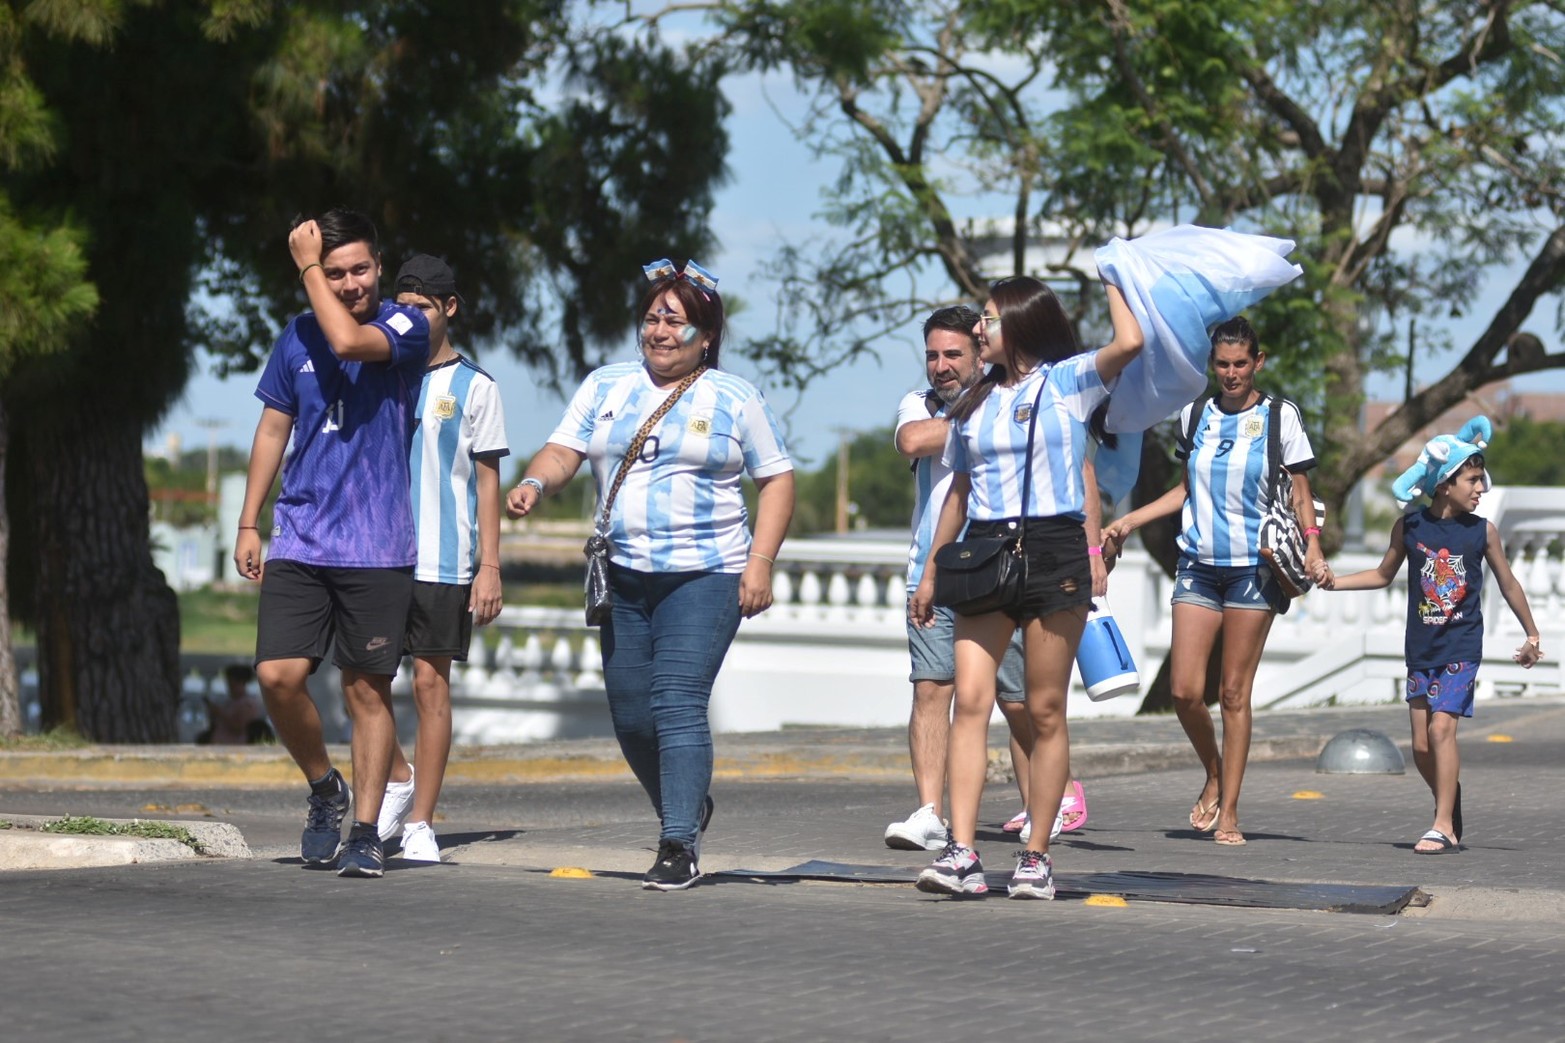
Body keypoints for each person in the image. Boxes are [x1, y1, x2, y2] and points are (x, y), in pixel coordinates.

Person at [505, 258, 794, 891]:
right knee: (632, 715)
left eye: (676, 320)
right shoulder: (607, 384)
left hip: (707, 573)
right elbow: (564, 450)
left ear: (707, 336)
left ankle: (677, 842)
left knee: (676, 702)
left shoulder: (735, 397)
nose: (660, 330)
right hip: (624, 575)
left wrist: (760, 563)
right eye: (653, 317)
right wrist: (534, 480)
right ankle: (686, 804)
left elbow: (776, 479)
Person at [910, 275, 1143, 900]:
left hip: (1053, 550)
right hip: (983, 551)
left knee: (1043, 709)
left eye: (987, 318)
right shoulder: (972, 404)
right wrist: (932, 571)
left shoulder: (1067, 381)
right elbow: (957, 494)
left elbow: (1130, 340)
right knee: (971, 702)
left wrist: (1115, 272)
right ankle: (962, 853)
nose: (978, 329)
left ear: (1019, 322)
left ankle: (1036, 854)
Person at [234, 208, 430, 878]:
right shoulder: (294, 336)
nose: (348, 283)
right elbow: (271, 429)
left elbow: (348, 342)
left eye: (360, 269)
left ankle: (368, 831)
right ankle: (325, 787)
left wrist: (308, 266)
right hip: (301, 536)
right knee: (277, 676)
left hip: (377, 546)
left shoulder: (407, 324)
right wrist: (247, 519)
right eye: (335, 270)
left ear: (379, 266)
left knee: (366, 691)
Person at [1103, 316, 1320, 847]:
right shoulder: (1194, 414)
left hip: (1254, 568)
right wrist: (1131, 519)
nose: (1231, 373)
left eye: (1240, 363)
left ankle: (1231, 812)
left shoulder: (1279, 416)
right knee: (1183, 690)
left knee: (1233, 693)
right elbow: (1185, 490)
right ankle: (1215, 771)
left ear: (1258, 362)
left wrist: (1313, 543)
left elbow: (1299, 490)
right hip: (1198, 563)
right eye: (1222, 364)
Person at [1314, 420, 1542, 853]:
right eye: (1472, 480)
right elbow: (1383, 574)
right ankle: (1448, 796)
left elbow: (1509, 583)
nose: (1481, 489)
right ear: (1444, 484)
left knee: (1441, 732)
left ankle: (1442, 824)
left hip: (1461, 645)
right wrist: (1334, 582)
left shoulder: (1482, 531)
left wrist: (1531, 633)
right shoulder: (1410, 527)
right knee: (1420, 746)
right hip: (1421, 649)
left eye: (1481, 480)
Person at [372, 255, 509, 863]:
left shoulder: (477, 386)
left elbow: (486, 484)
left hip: (443, 560)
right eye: (401, 306)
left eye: (423, 307)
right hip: (374, 554)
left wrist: (490, 566)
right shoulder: (380, 372)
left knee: (429, 684)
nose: (411, 317)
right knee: (365, 684)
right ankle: (395, 776)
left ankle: (421, 821)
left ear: (449, 309)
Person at [886, 306, 1031, 852]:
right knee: (932, 688)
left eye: (953, 355)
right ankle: (929, 812)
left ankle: (1046, 797)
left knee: (1017, 700)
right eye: (932, 355)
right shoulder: (919, 403)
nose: (941, 366)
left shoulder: (1012, 397)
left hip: (1002, 568)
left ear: (979, 352)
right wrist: (984, 425)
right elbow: (911, 440)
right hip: (934, 571)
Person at [197, 664, 268, 745]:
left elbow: (238, 726)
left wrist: (218, 712)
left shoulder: (247, 704)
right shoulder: (230, 702)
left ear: (242, 682)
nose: (230, 687)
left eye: (233, 684)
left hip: (235, 744)